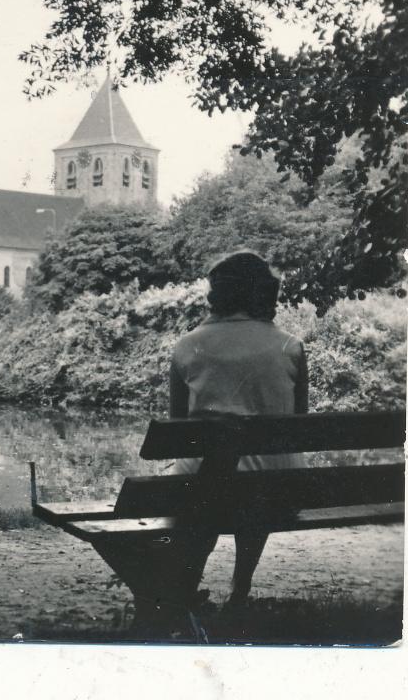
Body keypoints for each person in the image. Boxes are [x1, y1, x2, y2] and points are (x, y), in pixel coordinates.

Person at [169, 250, 309, 606]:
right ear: (265, 293)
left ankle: (185, 584)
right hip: (275, 492)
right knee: (256, 475)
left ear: (217, 294)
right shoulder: (290, 347)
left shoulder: (187, 346)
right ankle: (240, 587)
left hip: (203, 491)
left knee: (207, 476)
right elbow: (301, 424)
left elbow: (176, 431)